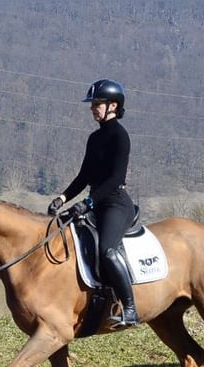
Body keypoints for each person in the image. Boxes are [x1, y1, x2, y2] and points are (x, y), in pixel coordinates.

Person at [47, 78, 139, 328]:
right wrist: (63, 198)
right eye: (93, 104)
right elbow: (84, 176)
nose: (92, 108)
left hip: (115, 203)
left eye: (97, 104)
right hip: (94, 202)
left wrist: (88, 202)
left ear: (113, 105)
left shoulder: (120, 137)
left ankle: (130, 308)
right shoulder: (94, 138)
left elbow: (116, 178)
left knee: (107, 250)